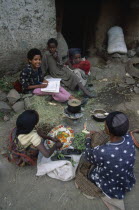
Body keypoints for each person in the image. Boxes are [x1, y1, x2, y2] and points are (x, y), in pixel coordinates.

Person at [76, 111, 136, 208]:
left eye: (105, 124)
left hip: (108, 182)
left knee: (85, 171)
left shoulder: (103, 151)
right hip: (125, 178)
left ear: (107, 129)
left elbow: (88, 156)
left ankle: (105, 193)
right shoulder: (129, 138)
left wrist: (88, 139)